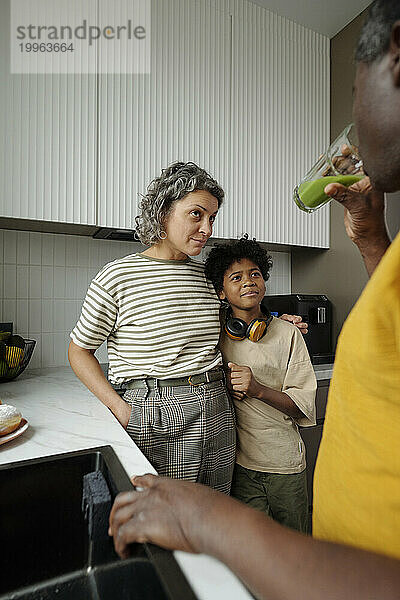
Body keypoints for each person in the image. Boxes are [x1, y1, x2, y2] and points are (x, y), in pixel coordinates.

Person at [108, 2, 400, 598]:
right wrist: (373, 239)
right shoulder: (198, 312)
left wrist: (211, 520)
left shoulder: (281, 332)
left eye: (351, 88)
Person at [69, 161, 305, 494]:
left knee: (215, 516)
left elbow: (235, 317)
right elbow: (79, 351)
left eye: (212, 217)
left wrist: (279, 321)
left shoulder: (205, 277)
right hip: (155, 412)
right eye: (196, 214)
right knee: (165, 523)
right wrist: (120, 409)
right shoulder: (117, 277)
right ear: (163, 211)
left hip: (218, 406)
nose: (207, 228)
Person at [204, 238, 316, 533]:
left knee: (295, 549)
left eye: (255, 274)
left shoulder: (288, 334)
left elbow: (302, 405)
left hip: (284, 465)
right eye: (236, 277)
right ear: (221, 292)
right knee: (253, 548)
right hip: (239, 466)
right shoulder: (213, 333)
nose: (248, 282)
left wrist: (257, 390)